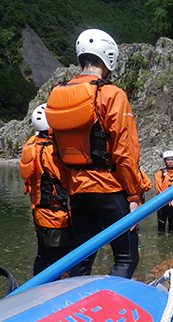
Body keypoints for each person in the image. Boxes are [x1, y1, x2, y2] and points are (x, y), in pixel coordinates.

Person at [45, 29, 142, 279]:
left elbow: (56, 153)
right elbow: (125, 151)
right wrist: (133, 195)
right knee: (127, 257)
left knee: (80, 261)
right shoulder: (112, 94)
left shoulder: (57, 95)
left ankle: (75, 307)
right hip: (110, 191)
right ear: (108, 57)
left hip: (77, 194)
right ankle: (113, 307)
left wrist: (68, 190)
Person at [20, 104, 72, 276]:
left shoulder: (32, 146)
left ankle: (36, 291)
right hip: (56, 217)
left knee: (42, 257)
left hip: (40, 214)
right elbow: (66, 182)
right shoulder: (50, 152)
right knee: (60, 260)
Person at [154, 151, 173, 233]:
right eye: (168, 160)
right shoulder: (159, 173)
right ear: (165, 161)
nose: (170, 161)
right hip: (162, 205)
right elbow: (159, 188)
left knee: (172, 229)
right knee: (161, 229)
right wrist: (168, 199)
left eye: (172, 159)